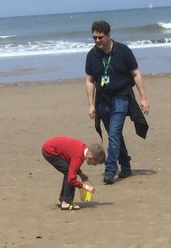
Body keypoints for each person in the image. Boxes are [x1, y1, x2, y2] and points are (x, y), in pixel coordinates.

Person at [84, 20, 151, 185]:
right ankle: (126, 165)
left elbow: (136, 74)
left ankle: (110, 169)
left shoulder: (123, 51)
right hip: (102, 100)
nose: (97, 41)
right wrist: (91, 104)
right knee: (115, 135)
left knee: (113, 134)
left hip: (122, 97)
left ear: (108, 35)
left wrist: (143, 98)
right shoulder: (92, 55)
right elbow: (89, 80)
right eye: (94, 38)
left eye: (100, 37)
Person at [41, 137, 104, 210]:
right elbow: (71, 179)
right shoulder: (78, 156)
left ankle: (62, 200)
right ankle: (66, 202)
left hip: (52, 146)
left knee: (69, 171)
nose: (95, 165)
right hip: (49, 151)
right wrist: (85, 187)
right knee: (69, 174)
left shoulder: (83, 149)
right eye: (95, 163)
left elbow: (72, 164)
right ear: (90, 157)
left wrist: (80, 174)